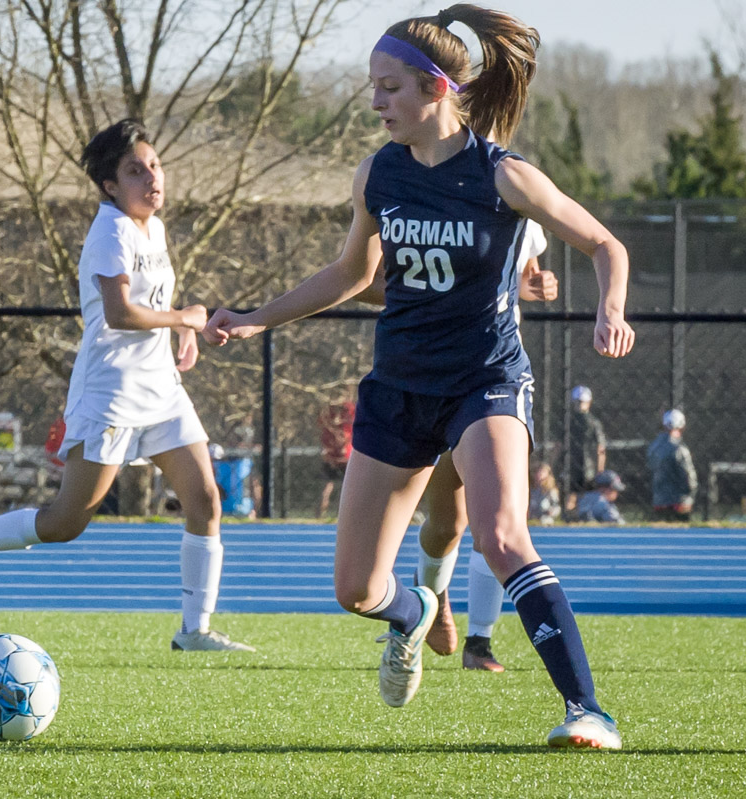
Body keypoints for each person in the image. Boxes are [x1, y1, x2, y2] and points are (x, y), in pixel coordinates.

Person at [203, 5, 634, 748]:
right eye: (372, 88)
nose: (375, 103)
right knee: (356, 589)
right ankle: (413, 611)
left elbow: (603, 243)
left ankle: (587, 709)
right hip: (399, 386)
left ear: (437, 88)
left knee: (502, 535)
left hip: (485, 378)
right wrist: (257, 316)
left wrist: (610, 309)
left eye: (388, 88)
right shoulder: (379, 172)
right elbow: (351, 273)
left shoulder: (503, 174)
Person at [0, 119, 253, 652]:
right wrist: (184, 318)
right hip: (111, 393)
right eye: (135, 171)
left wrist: (181, 332)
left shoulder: (152, 228)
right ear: (110, 186)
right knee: (67, 521)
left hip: (161, 390)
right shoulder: (110, 231)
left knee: (206, 500)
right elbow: (119, 314)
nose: (151, 178)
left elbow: (153, 300)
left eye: (155, 165)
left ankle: (195, 631)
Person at [352, 220, 558, 673]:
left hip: (494, 379)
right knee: (447, 523)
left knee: (499, 521)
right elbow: (361, 280)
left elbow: (527, 275)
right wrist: (435, 298)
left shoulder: (520, 196)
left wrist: (537, 285)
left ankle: (480, 641)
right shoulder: (423, 196)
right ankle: (430, 596)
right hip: (430, 380)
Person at [647, 409, 697, 522]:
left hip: (659, 501)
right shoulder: (680, 449)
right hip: (679, 502)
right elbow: (689, 478)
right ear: (682, 426)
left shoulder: (653, 447)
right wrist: (691, 495)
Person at [317, 392, 356, 517]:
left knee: (348, 489)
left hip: (345, 458)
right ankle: (320, 514)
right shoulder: (328, 412)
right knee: (326, 487)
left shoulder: (349, 411)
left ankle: (345, 515)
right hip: (332, 458)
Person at [566, 384, 606, 496]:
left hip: (572, 467)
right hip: (588, 469)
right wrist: (600, 470)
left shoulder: (568, 421)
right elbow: (600, 449)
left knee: (572, 496)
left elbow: (600, 449)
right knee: (585, 497)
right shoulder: (594, 422)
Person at [529, 461, 562, 525]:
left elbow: (556, 507)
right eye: (538, 472)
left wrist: (551, 512)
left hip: (545, 519)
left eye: (542, 472)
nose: (539, 474)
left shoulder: (551, 491)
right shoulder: (530, 489)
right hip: (530, 518)